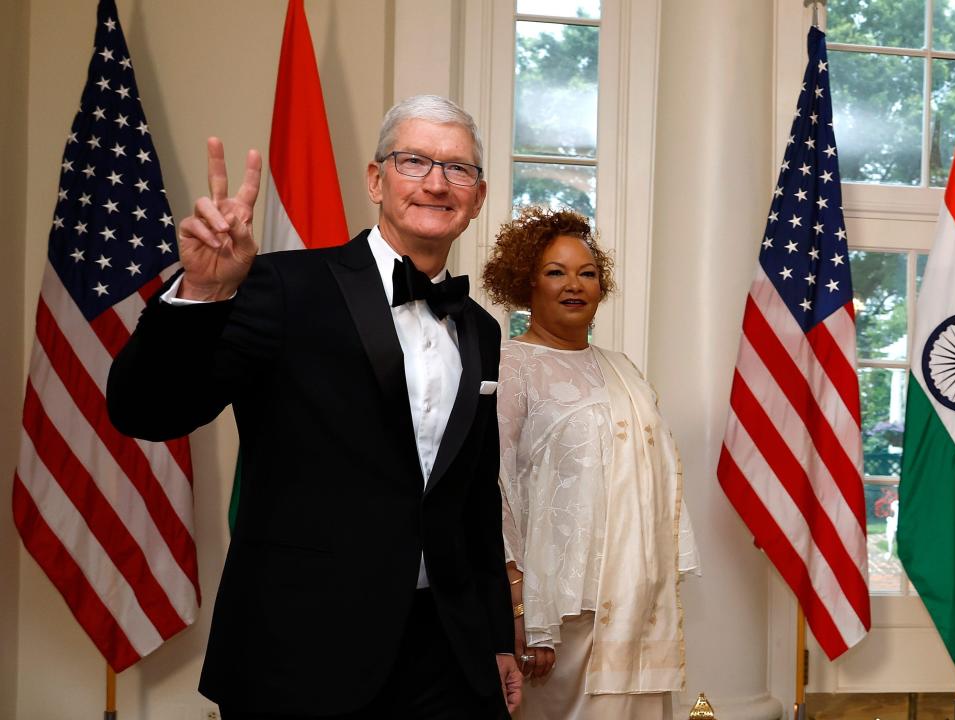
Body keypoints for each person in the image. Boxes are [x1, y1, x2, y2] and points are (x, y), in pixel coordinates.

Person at [107, 95, 521, 719]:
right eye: (415, 161)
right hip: (300, 650)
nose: (437, 183)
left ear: (478, 196)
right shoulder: (281, 285)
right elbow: (147, 411)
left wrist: (495, 637)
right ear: (376, 181)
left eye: (457, 169)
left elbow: (472, 501)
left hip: (447, 656)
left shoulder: (482, 332)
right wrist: (202, 292)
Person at [481, 207, 699, 720]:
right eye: (555, 272)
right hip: (558, 615)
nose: (573, 285)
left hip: (636, 609)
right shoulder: (509, 364)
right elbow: (493, 485)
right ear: (526, 283)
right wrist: (518, 607)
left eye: (587, 273)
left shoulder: (622, 368)